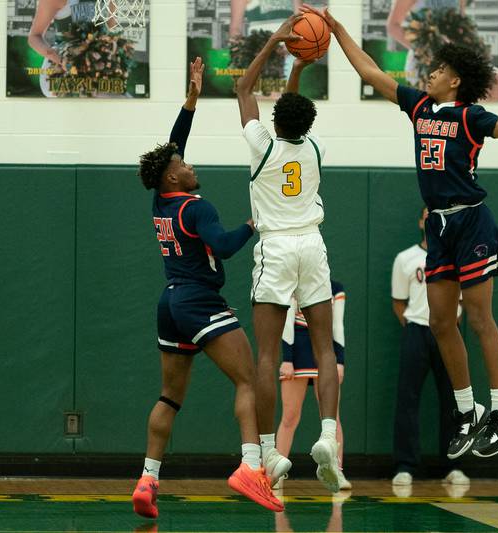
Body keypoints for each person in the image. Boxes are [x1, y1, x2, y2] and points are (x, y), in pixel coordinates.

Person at [303, 2, 498, 460]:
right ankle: (467, 410)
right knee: (442, 322)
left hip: (472, 220)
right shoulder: (419, 106)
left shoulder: (472, 117)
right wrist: (340, 29)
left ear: (457, 81)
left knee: (480, 317)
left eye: (441, 68)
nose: (431, 71)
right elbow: (370, 72)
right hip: (440, 226)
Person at [131, 57, 283, 518]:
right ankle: (249, 465)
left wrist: (192, 98)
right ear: (174, 176)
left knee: (169, 397)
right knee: (248, 379)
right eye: (183, 163)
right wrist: (251, 226)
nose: (188, 162)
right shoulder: (197, 206)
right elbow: (224, 246)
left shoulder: (162, 198)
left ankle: (148, 479)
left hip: (170, 303)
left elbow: (171, 147)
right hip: (200, 300)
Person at [235, 16, 341, 492]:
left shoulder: (262, 147)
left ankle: (268, 451)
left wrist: (276, 41)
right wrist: (300, 64)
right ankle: (326, 436)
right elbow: (292, 108)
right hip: (312, 247)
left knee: (267, 354)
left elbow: (243, 88)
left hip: (275, 247)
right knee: (323, 350)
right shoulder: (313, 149)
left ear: (275, 120)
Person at [391, 206, 469, 487]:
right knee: (407, 398)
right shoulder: (406, 259)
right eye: (427, 216)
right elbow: (398, 302)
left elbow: (464, 301)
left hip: (449, 334)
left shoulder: (456, 257)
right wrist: (416, 325)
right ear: (421, 221)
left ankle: (453, 464)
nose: (431, 220)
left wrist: (448, 326)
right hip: (416, 331)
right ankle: (405, 465)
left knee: (454, 399)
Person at [276, 280, 351, 490]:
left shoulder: (336, 289)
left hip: (326, 354)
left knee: (332, 417)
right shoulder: (292, 285)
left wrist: (340, 361)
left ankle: (337, 472)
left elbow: (337, 325)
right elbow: (287, 322)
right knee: (290, 416)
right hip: (297, 354)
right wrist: (287, 359)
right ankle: (277, 472)